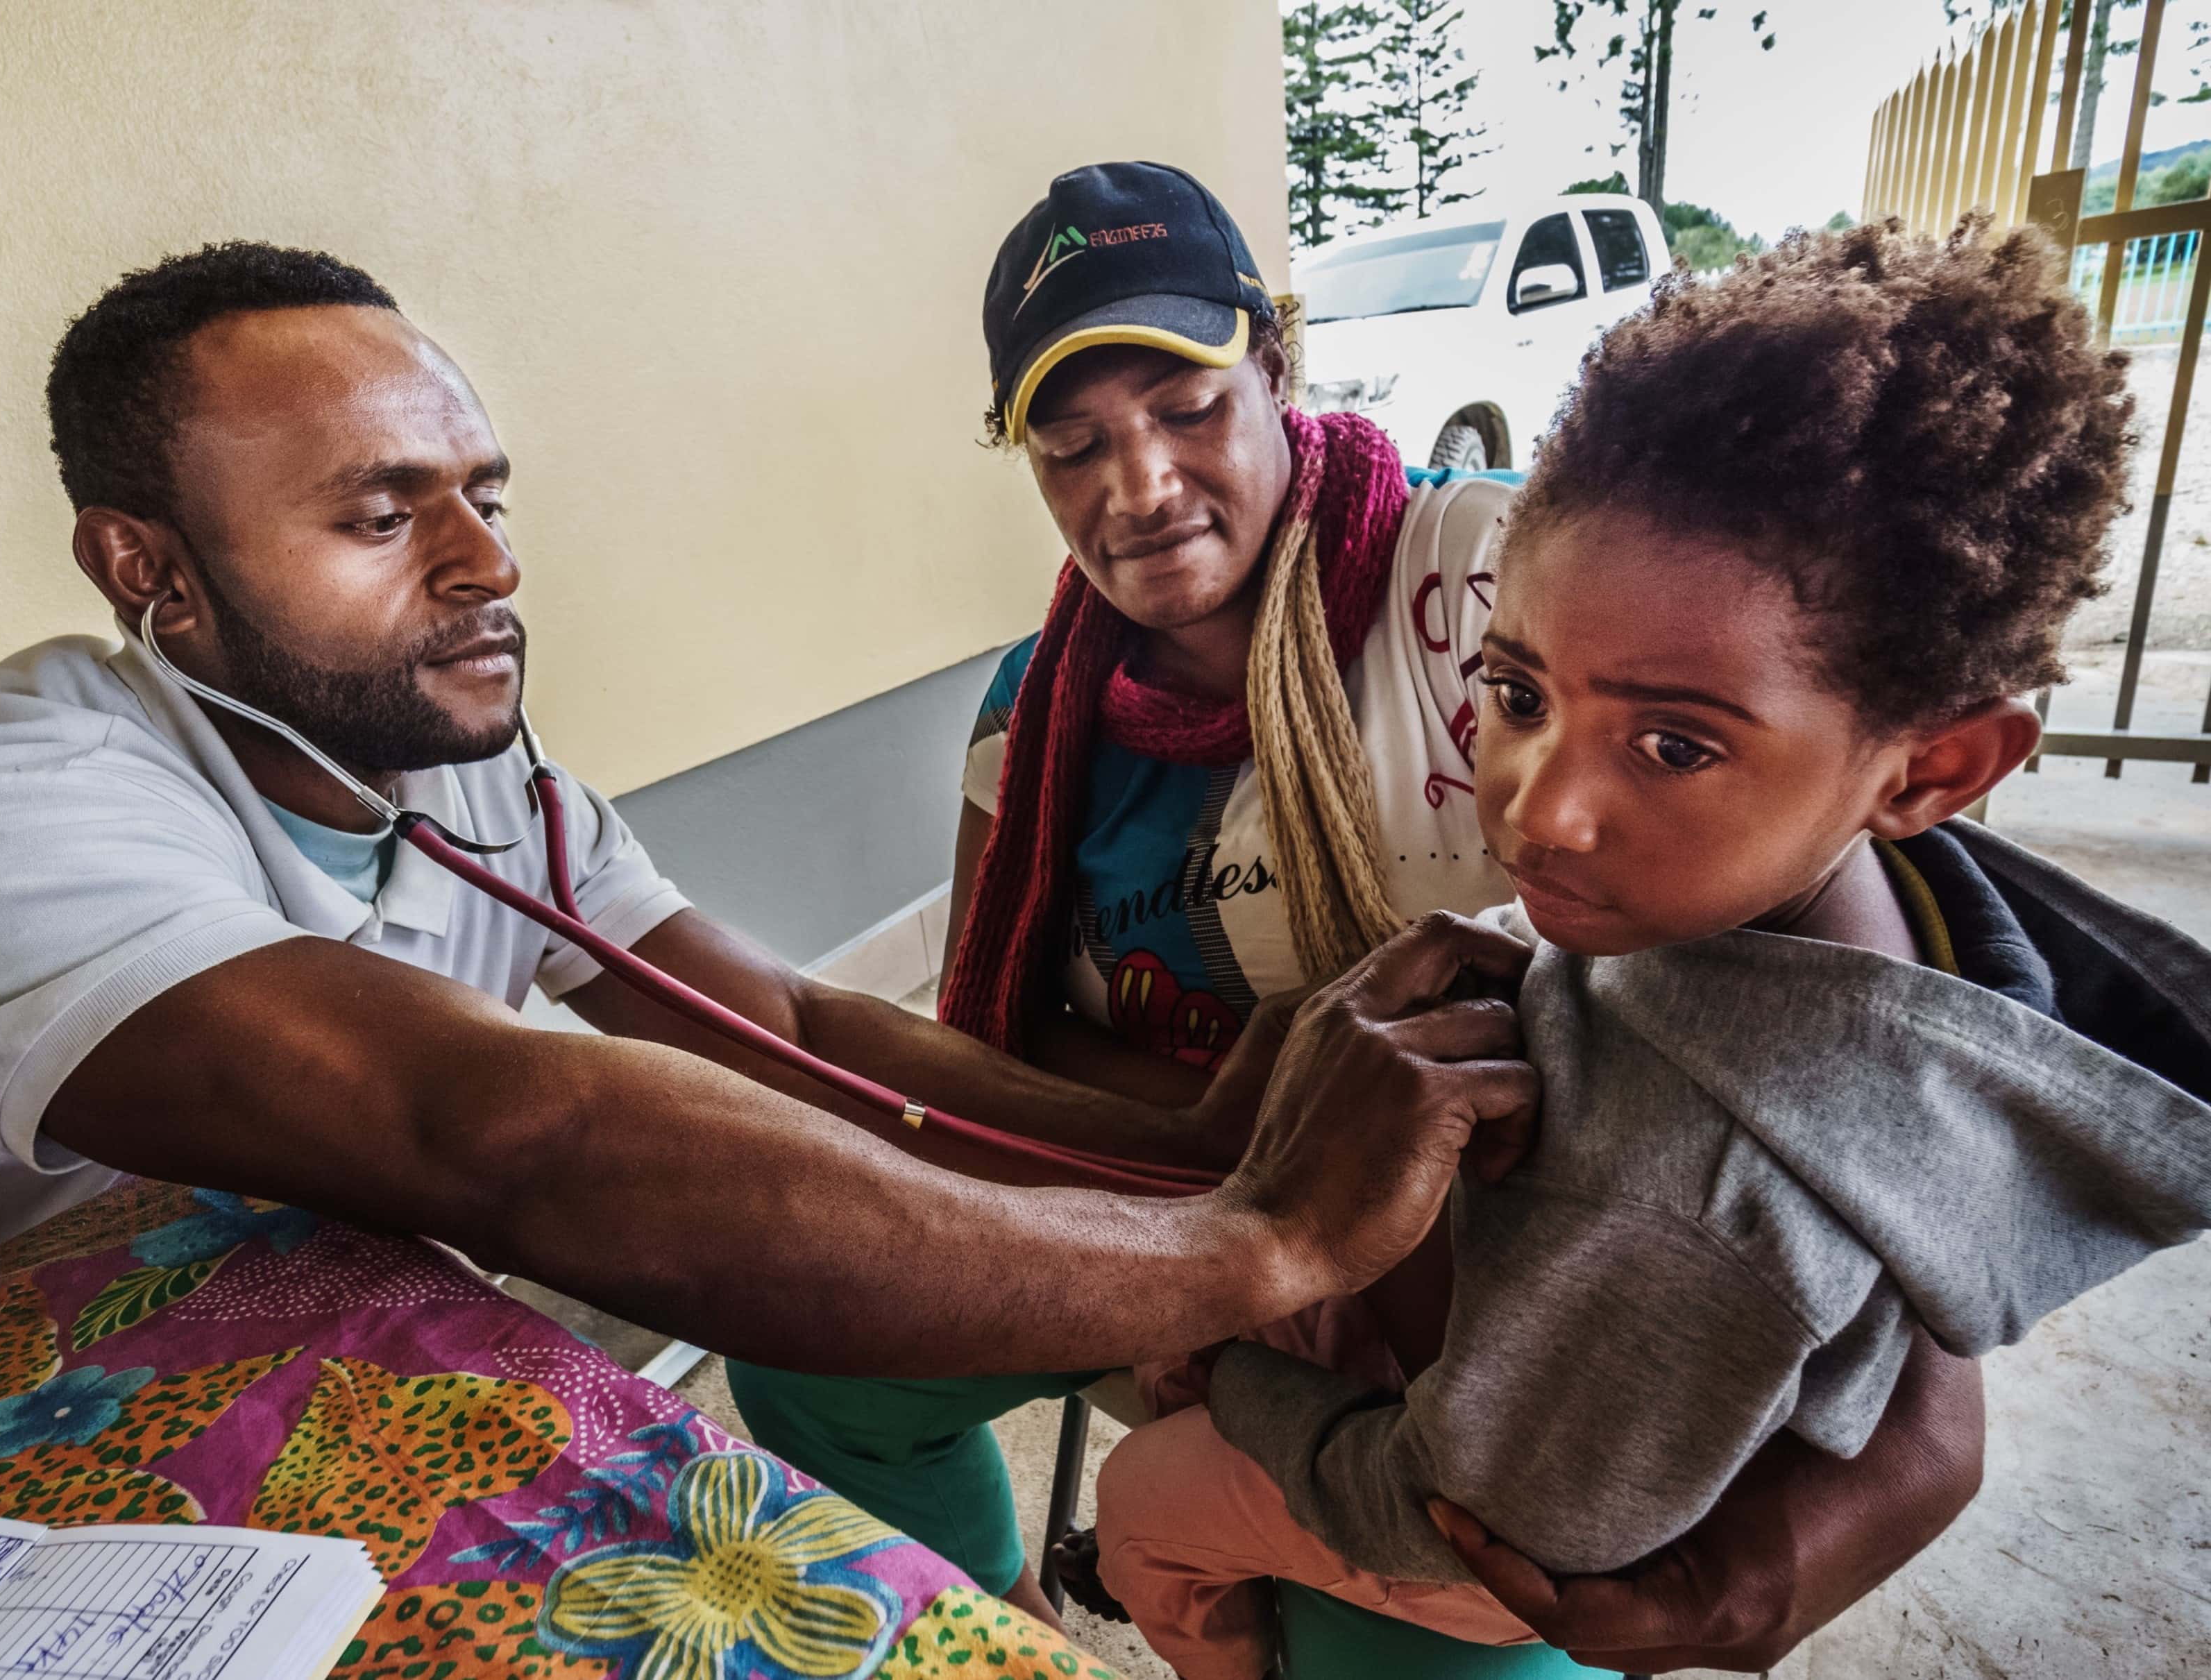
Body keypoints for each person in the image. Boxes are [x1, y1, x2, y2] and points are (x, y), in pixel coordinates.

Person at [0, 242, 1540, 1407]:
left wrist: (1191, 1157)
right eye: (383, 516)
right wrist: (1251, 1244)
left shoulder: (465, 778)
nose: (489, 563)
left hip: (321, 1403)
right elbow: (512, 1129)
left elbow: (795, 1027)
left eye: (484, 492)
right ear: (148, 569)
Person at [728, 162, 1989, 1669]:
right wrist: (1262, 1144)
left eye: (1187, 407)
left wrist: (1932, 1420)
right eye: (1071, 446)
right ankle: (995, 1627)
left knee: (1386, 1585)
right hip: (1176, 1222)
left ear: (1277, 363)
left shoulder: (1499, 586)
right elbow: (1007, 1037)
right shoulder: (1034, 717)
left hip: (1481, 1305)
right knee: (812, 1342)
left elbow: (1833, 972)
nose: (1138, 489)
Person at [1089, 214, 2211, 1677]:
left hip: (1468, 1515)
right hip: (1504, 1338)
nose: (1535, 807)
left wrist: (1234, 1372)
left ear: (1931, 768)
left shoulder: (1698, 1205)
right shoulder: (1813, 886)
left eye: (1674, 744)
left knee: (1141, 1501)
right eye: (1518, 694)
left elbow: (1483, 1517)